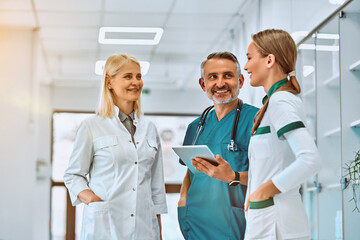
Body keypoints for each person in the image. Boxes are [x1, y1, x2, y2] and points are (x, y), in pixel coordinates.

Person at [63, 54, 167, 240]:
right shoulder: (92, 126)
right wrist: (93, 200)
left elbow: (156, 188)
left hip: (145, 229)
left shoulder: (149, 128)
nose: (136, 82)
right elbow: (73, 175)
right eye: (128, 76)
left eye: (138, 76)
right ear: (109, 82)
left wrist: (158, 233)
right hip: (104, 227)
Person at [243, 29, 321, 239]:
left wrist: (265, 191)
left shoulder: (281, 101)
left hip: (275, 222)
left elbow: (310, 159)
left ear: (269, 60)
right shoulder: (275, 102)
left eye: (250, 58)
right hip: (270, 219)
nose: (246, 66)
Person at [177, 52, 259, 239]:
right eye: (213, 77)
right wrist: (182, 202)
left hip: (237, 223)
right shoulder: (195, 127)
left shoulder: (257, 120)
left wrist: (233, 176)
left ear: (240, 80)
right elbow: (190, 172)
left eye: (227, 76)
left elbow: (268, 174)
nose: (220, 83)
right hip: (196, 222)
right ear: (203, 84)